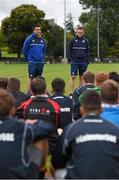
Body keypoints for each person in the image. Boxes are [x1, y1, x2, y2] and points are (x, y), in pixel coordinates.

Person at [52, 90, 119, 179]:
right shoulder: (115, 129)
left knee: (58, 171)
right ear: (101, 108)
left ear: (81, 109)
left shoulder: (70, 129)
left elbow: (57, 161)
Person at [0, 89, 54, 179]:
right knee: (40, 139)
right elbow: (49, 128)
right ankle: (40, 175)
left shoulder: (20, 126)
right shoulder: (21, 126)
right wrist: (34, 122)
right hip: (20, 176)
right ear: (13, 110)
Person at [68, 26, 90, 95]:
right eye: (78, 32)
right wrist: (71, 59)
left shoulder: (86, 41)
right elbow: (69, 50)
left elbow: (88, 51)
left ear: (83, 33)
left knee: (82, 77)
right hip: (74, 62)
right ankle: (71, 92)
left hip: (83, 62)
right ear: (76, 32)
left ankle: (78, 92)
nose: (79, 34)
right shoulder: (72, 40)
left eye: (81, 32)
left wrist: (87, 61)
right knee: (73, 76)